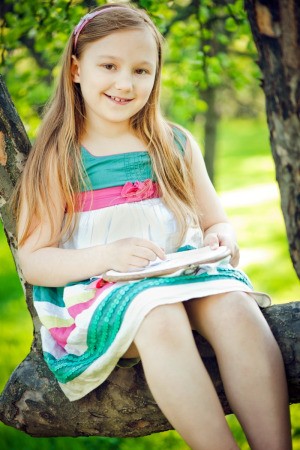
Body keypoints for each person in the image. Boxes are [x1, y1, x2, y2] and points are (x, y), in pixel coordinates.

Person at [13, 3, 291, 449]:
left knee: (237, 308)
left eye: (141, 70)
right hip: (102, 292)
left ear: (155, 76)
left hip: (181, 275)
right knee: (159, 317)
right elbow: (34, 260)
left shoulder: (174, 143)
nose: (125, 83)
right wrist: (108, 255)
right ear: (76, 68)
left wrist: (223, 237)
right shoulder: (59, 159)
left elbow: (214, 219)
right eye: (109, 66)